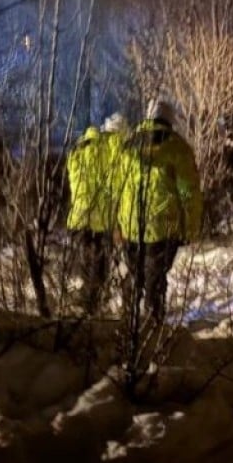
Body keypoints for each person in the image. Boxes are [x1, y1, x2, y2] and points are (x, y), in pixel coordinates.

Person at [117, 100, 202, 321]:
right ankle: (153, 324)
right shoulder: (178, 148)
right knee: (155, 278)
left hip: (130, 225)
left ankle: (128, 321)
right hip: (162, 226)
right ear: (170, 120)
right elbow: (188, 192)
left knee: (136, 275)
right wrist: (190, 229)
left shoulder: (128, 145)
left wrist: (119, 224)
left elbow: (118, 187)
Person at [66, 112, 129, 313]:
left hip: (78, 218)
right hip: (101, 223)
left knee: (83, 272)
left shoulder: (82, 146)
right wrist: (120, 226)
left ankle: (83, 312)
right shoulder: (116, 150)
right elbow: (120, 191)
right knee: (98, 274)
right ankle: (92, 314)